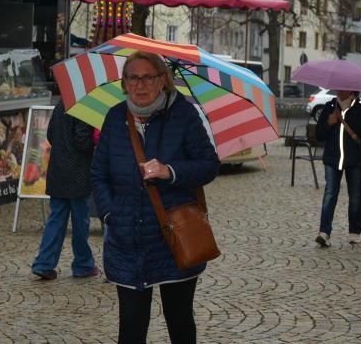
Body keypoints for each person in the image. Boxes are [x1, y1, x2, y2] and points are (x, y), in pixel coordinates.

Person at [92, 50, 220, 344]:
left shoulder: (184, 115)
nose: (140, 85)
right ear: (124, 83)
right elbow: (98, 174)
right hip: (127, 240)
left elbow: (209, 165)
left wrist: (169, 171)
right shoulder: (115, 118)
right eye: (132, 78)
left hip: (174, 238)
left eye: (147, 77)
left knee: (179, 320)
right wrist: (111, 214)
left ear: (162, 80)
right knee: (131, 327)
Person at [31, 99, 99, 280]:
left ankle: (43, 264)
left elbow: (51, 135)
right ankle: (83, 264)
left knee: (56, 220)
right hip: (77, 173)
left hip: (58, 170)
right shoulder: (85, 107)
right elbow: (83, 142)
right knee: (80, 221)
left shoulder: (61, 104)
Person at [314, 90, 361, 247]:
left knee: (355, 196)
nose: (340, 90)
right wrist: (329, 123)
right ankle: (324, 232)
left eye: (344, 87)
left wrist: (360, 153)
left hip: (355, 161)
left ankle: (354, 231)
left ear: (351, 89)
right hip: (332, 159)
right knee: (330, 194)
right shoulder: (329, 107)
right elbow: (319, 135)